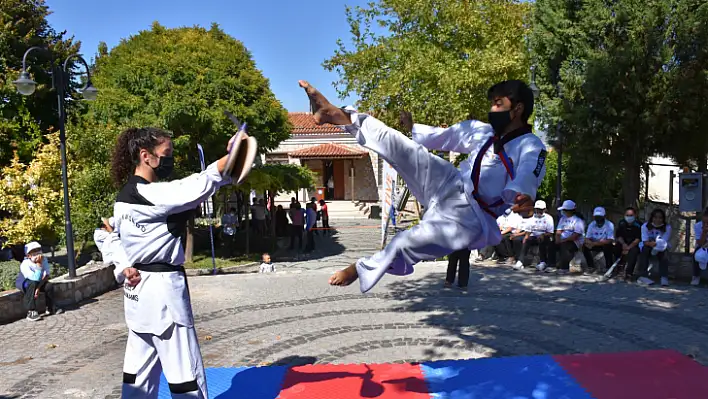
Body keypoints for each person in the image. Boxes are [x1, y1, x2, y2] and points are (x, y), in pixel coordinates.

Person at [298, 79, 546, 293]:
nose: (492, 109)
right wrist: (414, 129)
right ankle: (336, 115)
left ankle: (359, 268)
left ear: (518, 109)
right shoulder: (481, 131)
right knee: (400, 146)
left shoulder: (531, 146)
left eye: (498, 104)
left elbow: (528, 172)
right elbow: (446, 136)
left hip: (472, 216)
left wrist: (524, 194)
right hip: (450, 182)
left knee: (408, 241)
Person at [111, 127, 239, 398]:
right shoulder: (150, 195)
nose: (170, 159)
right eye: (166, 154)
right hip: (164, 295)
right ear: (146, 156)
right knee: (185, 377)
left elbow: (114, 239)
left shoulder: (123, 199)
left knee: (138, 376)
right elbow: (188, 189)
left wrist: (124, 266)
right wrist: (228, 160)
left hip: (137, 296)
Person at [15, 241, 62, 321]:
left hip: (38, 282)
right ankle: (31, 311)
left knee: (48, 286)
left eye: (38, 251)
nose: (37, 254)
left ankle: (50, 307)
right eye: (34, 253)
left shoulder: (44, 260)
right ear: (28, 256)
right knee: (32, 284)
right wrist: (39, 266)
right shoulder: (25, 264)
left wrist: (38, 288)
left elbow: (47, 274)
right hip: (26, 282)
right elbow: (33, 278)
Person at [637, 208, 672, 286]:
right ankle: (642, 275)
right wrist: (651, 244)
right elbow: (645, 241)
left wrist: (656, 245)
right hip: (649, 245)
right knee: (644, 250)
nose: (658, 220)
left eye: (660, 218)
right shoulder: (645, 226)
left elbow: (664, 241)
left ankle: (664, 276)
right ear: (652, 218)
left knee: (664, 253)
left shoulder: (667, 227)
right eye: (655, 217)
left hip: (661, 246)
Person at [518, 200, 555, 271]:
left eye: (540, 210)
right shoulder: (532, 218)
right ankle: (520, 261)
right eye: (537, 209)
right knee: (526, 241)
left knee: (543, 241)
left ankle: (543, 262)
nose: (538, 211)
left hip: (545, 236)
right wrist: (525, 238)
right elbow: (528, 231)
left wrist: (543, 235)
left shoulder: (548, 218)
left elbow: (550, 232)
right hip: (533, 236)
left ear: (544, 209)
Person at [555, 200, 585, 274]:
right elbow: (559, 231)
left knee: (566, 246)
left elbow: (575, 236)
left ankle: (564, 267)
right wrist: (557, 239)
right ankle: (551, 264)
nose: (563, 212)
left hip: (574, 242)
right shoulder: (563, 219)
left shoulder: (578, 220)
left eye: (564, 210)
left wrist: (562, 240)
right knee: (550, 244)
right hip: (563, 239)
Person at [583, 207, 615, 273]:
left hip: (604, 244)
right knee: (585, 247)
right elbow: (587, 238)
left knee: (608, 246)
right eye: (596, 216)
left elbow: (610, 240)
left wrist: (594, 243)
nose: (598, 218)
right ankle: (591, 266)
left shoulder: (609, 224)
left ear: (604, 216)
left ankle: (609, 267)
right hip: (594, 243)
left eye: (600, 216)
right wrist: (589, 242)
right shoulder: (591, 224)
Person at [614, 207, 642, 281]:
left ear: (635, 215)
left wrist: (628, 247)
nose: (629, 217)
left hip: (634, 244)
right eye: (627, 215)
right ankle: (619, 270)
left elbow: (638, 239)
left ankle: (629, 273)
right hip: (623, 243)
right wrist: (623, 244)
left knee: (634, 252)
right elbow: (618, 236)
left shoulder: (639, 225)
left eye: (631, 215)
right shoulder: (621, 223)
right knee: (616, 247)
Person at [691, 208, 708, 286]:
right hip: (702, 246)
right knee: (696, 253)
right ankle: (696, 276)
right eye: (705, 222)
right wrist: (704, 232)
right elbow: (699, 243)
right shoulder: (698, 226)